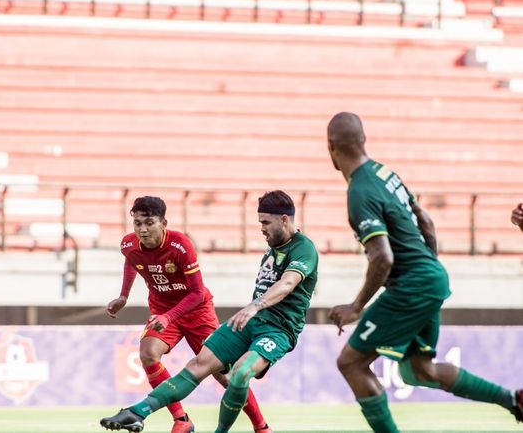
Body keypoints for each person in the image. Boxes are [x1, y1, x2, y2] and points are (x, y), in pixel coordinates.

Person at [325, 112, 523, 433]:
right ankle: (514, 401)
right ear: (363, 141)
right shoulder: (385, 172)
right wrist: (427, 267)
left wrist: (356, 307)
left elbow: (382, 259)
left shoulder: (359, 191)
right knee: (419, 370)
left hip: (411, 283)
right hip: (432, 275)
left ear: (330, 147)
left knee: (350, 362)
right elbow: (426, 222)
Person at [101, 191, 317, 433]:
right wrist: (124, 296)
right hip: (245, 320)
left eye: (265, 223)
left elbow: (287, 283)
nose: (261, 229)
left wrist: (254, 305)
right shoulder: (274, 246)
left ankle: (259, 427)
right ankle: (142, 413)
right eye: (260, 223)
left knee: (233, 375)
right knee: (192, 364)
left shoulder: (303, 249)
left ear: (284, 220)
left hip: (271, 327)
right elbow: (133, 259)